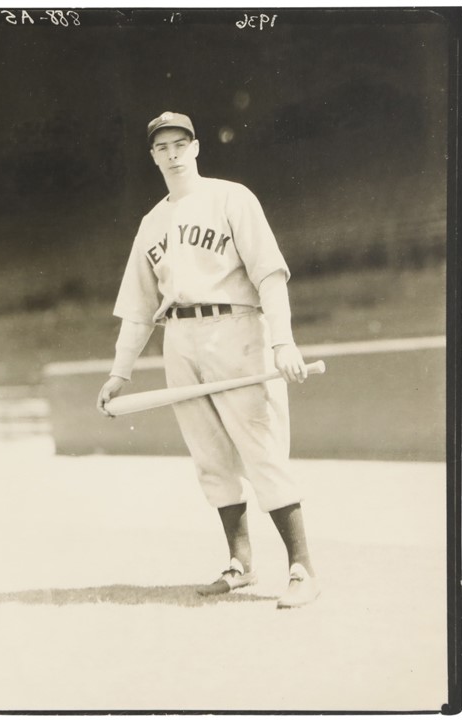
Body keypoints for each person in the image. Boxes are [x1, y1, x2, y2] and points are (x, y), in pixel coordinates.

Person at [96, 111, 321, 609]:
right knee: (210, 456)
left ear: (197, 147)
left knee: (261, 448)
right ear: (152, 155)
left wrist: (282, 341)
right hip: (179, 336)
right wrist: (119, 371)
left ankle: (303, 568)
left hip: (236, 328)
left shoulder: (231, 197)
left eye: (180, 143)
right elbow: (137, 309)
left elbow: (270, 275)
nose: (172, 154)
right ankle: (240, 563)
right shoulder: (151, 223)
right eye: (162, 147)